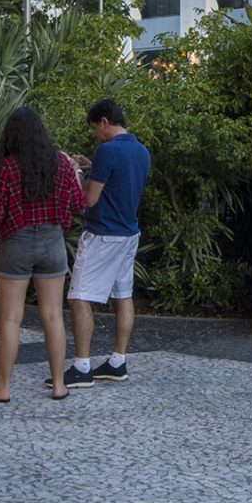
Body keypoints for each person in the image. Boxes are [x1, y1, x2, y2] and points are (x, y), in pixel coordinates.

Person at [0, 107, 82, 403]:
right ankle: (58, 385)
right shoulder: (62, 164)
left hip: (16, 243)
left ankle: (2, 388)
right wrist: (77, 173)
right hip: (53, 243)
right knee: (53, 316)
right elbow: (79, 203)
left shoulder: (7, 167)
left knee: (11, 319)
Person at [60, 97, 150, 390]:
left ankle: (81, 367)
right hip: (128, 233)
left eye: (95, 129)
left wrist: (75, 172)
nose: (95, 135)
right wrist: (90, 166)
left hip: (103, 234)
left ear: (104, 122)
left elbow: (88, 200)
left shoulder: (106, 151)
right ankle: (117, 362)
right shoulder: (141, 151)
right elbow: (116, 182)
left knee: (78, 297)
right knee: (123, 295)